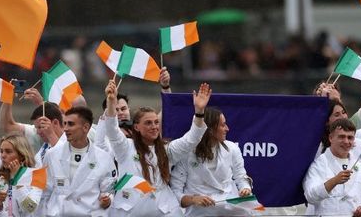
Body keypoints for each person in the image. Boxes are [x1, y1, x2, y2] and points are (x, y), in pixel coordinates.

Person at [104, 80, 211, 216]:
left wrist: (199, 111)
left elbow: (192, 139)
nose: (154, 126)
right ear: (136, 127)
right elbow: (112, 129)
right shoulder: (125, 148)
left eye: (156, 122)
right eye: (148, 123)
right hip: (130, 211)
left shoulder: (168, 150)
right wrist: (111, 102)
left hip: (164, 210)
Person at [170, 107, 252, 216]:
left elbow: (241, 177)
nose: (227, 129)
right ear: (210, 129)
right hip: (199, 211)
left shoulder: (232, 148)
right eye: (222, 125)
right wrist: (193, 199)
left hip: (230, 209)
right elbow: (175, 191)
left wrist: (245, 189)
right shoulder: (186, 153)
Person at [44, 106, 117, 216]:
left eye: (71, 124)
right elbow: (45, 191)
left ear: (85, 127)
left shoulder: (104, 157)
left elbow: (109, 190)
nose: (66, 129)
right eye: (65, 124)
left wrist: (107, 200)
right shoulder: (52, 154)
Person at [303, 118, 361, 217]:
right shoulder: (318, 165)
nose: (346, 141)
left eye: (350, 137)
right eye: (341, 137)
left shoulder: (360, 167)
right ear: (331, 138)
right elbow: (310, 196)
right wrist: (334, 181)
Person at [313, 37, 361, 130]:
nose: (337, 106)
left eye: (338, 100)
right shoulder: (314, 133)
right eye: (330, 101)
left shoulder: (354, 124)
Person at [0, 87, 95, 153]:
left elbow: (66, 154)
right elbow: (8, 126)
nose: (62, 115)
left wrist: (42, 105)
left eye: (65, 112)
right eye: (60, 110)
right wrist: (7, 98)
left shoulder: (91, 133)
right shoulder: (42, 130)